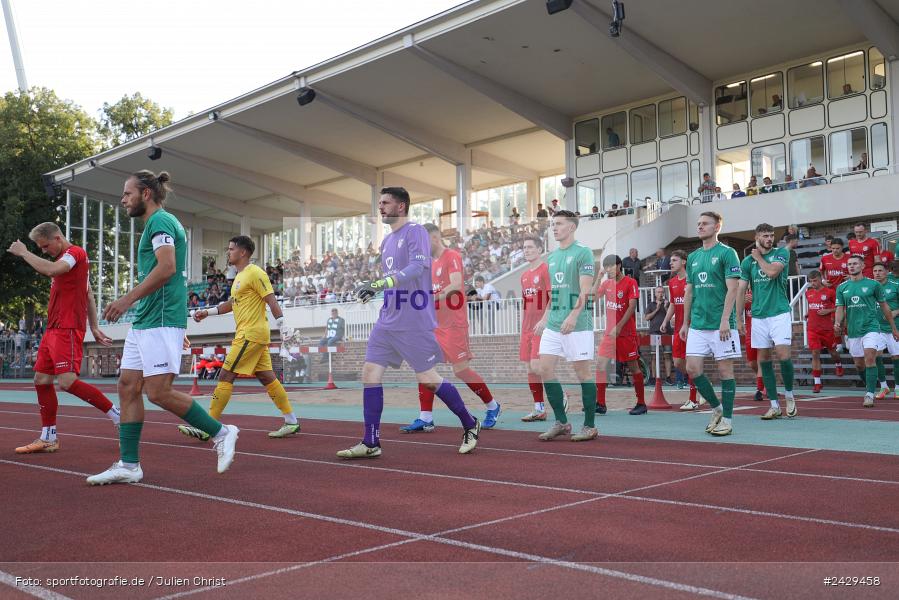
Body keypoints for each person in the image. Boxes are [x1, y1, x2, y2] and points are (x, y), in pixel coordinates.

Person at [88, 170, 238, 485]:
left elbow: (167, 267)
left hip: (159, 318)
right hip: (146, 320)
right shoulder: (155, 225)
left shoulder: (160, 221)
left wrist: (126, 300)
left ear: (145, 194)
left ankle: (222, 432)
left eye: (127, 193)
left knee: (157, 392)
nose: (123, 199)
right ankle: (129, 465)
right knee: (128, 386)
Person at [337, 187, 480, 458]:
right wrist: (378, 289)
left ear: (401, 206)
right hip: (387, 319)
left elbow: (417, 268)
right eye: (379, 203)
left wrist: (381, 283)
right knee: (370, 374)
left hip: (413, 320)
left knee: (428, 379)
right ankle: (371, 442)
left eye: (385, 203)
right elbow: (393, 278)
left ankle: (471, 423)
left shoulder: (415, 231)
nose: (380, 207)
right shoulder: (386, 242)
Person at [6, 223, 120, 454]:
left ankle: (119, 416)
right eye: (40, 248)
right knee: (41, 380)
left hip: (67, 328)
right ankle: (49, 437)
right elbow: (88, 293)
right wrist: (95, 327)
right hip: (54, 328)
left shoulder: (74, 254)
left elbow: (52, 270)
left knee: (66, 382)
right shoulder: (70, 261)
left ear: (57, 238)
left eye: (45, 246)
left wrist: (24, 252)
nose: (44, 251)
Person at [180, 235, 298, 440]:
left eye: (231, 249)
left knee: (226, 375)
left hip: (250, 334)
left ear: (243, 252)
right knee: (266, 376)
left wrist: (282, 325)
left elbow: (271, 299)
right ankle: (291, 421)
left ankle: (208, 426)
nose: (228, 252)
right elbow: (230, 304)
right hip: (251, 334)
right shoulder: (239, 278)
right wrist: (206, 312)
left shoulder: (255, 273)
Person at [400, 223, 501, 433]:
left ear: (434, 238)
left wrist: (431, 297)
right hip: (433, 324)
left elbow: (456, 285)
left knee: (461, 370)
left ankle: (493, 406)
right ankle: (425, 417)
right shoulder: (426, 263)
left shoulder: (451, 256)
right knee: (423, 367)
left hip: (454, 323)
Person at [532, 210, 597, 441]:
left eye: (558, 224)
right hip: (553, 323)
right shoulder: (551, 258)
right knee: (544, 369)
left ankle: (589, 426)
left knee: (583, 373)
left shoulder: (584, 252)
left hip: (577, 324)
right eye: (553, 224)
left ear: (571, 227)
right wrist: (544, 317)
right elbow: (554, 293)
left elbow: (585, 290)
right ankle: (561, 421)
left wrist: (573, 315)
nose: (554, 228)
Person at [680, 211, 742, 436]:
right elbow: (689, 291)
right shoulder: (694, 257)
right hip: (698, 324)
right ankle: (716, 408)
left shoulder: (728, 253)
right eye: (698, 224)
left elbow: (733, 288)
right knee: (692, 368)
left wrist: (726, 320)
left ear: (717, 227)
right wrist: (685, 322)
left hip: (721, 325)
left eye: (705, 223)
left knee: (725, 371)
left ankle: (727, 419)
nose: (700, 227)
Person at [738, 224, 796, 420]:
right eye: (765, 236)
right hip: (758, 316)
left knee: (783, 355)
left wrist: (759, 258)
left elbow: (772, 272)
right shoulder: (747, 262)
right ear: (757, 237)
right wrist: (737, 318)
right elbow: (741, 290)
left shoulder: (781, 253)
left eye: (771, 235)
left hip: (779, 312)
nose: (769, 239)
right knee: (763, 360)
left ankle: (789, 395)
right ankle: (773, 405)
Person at [834, 256, 899, 407]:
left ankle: (870, 394)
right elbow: (839, 308)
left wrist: (894, 328)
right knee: (859, 365)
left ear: (863, 266)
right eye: (849, 264)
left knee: (871, 358)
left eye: (855, 263)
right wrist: (838, 322)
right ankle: (869, 385)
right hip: (853, 330)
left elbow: (884, 307)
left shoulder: (873, 285)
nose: (852, 266)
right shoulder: (842, 287)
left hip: (872, 327)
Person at [593, 255, 646, 416]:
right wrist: (598, 278)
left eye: (610, 266)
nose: (608, 269)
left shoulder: (631, 282)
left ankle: (641, 403)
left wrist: (619, 326)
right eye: (606, 267)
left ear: (619, 266)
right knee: (600, 365)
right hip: (610, 334)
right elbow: (593, 299)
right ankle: (600, 404)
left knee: (633, 367)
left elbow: (632, 307)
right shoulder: (606, 283)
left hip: (626, 334)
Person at [519, 235, 552, 421]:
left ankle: (559, 394)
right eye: (524, 247)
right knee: (530, 370)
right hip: (527, 329)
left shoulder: (546, 269)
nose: (527, 250)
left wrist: (544, 320)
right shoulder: (524, 276)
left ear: (540, 250)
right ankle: (539, 408)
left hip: (542, 327)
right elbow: (526, 305)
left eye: (530, 247)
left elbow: (553, 297)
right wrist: (522, 329)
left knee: (537, 366)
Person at [804, 270, 844, 393]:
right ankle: (817, 383)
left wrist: (828, 311)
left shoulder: (830, 292)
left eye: (815, 281)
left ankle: (838, 363)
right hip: (812, 329)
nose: (813, 283)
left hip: (827, 329)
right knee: (815, 353)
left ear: (820, 279)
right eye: (810, 281)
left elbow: (839, 308)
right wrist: (808, 313)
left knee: (833, 351)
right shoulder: (808, 293)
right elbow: (812, 306)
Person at [872, 264, 899, 400]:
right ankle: (884, 386)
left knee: (896, 358)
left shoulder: (895, 284)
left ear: (887, 272)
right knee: (876, 356)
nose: (877, 273)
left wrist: (896, 311)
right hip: (877, 329)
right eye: (875, 271)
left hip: (895, 327)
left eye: (880, 271)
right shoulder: (870, 286)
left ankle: (898, 388)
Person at [645, 286, 672, 386]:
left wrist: (665, 307)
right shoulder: (651, 305)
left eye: (662, 292)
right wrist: (656, 309)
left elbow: (672, 316)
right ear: (655, 294)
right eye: (658, 292)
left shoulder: (668, 304)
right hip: (654, 332)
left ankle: (668, 378)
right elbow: (647, 318)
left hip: (666, 332)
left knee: (667, 355)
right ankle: (654, 377)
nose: (660, 294)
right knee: (653, 356)